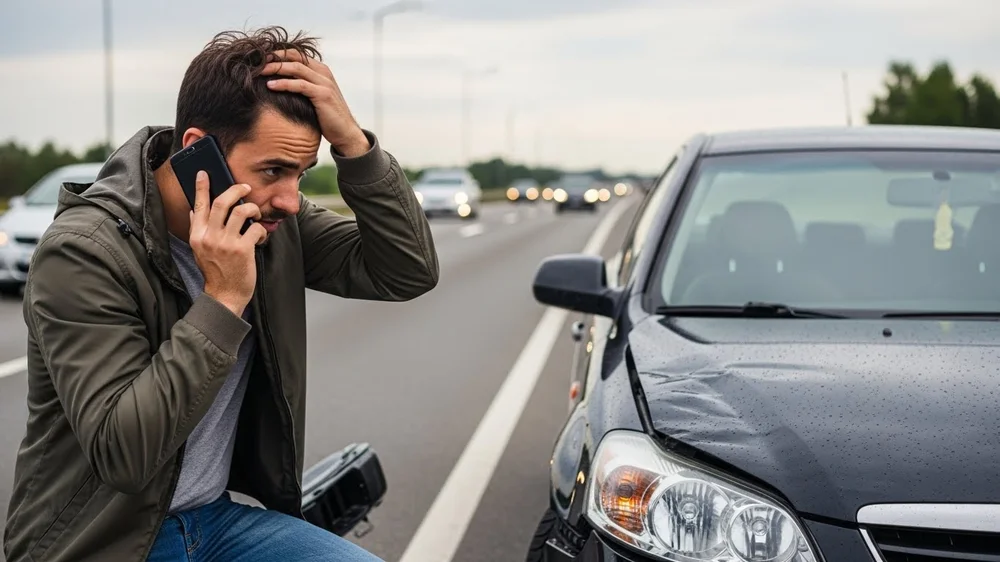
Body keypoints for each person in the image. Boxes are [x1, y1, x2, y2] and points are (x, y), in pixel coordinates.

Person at [3, 26, 438, 562]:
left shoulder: (271, 223)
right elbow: (125, 456)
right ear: (198, 151)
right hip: (105, 543)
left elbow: (407, 271)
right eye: (274, 170)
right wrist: (223, 300)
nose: (290, 199)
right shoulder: (84, 254)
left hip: (218, 522)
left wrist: (354, 144)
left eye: (302, 173)